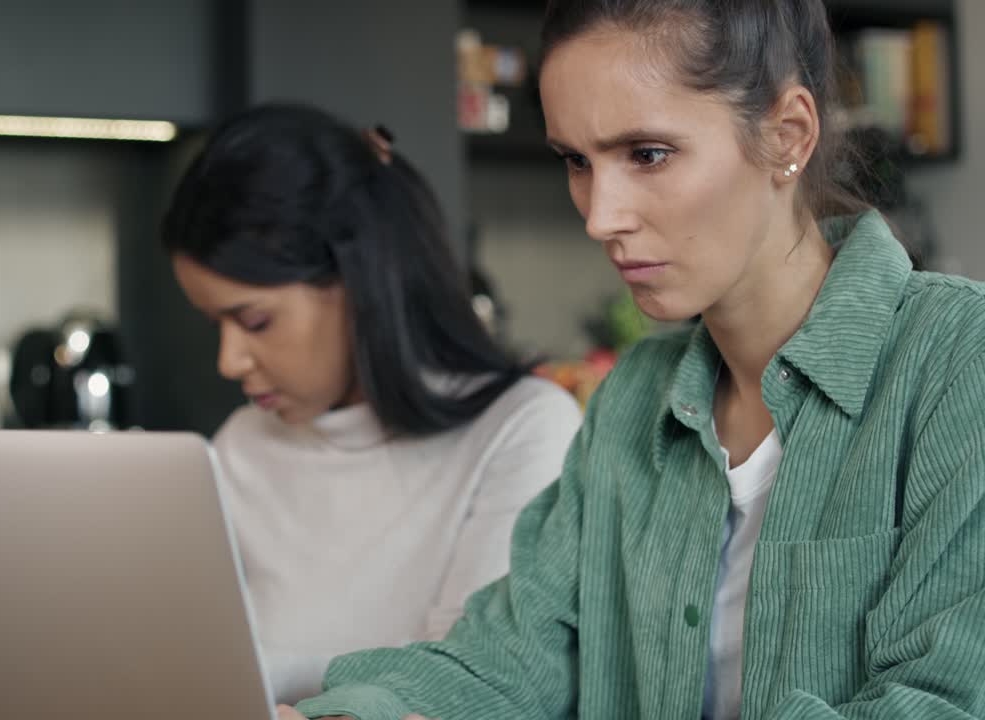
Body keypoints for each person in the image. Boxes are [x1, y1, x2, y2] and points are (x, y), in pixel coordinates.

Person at [279, 1, 985, 718]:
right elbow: (513, 658)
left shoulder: (960, 361)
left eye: (647, 154)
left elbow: (941, 702)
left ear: (788, 134)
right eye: (576, 162)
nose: (599, 216)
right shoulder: (633, 400)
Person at [160, 103, 583, 704]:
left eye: (254, 321)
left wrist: (254, 675)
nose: (229, 362)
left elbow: (466, 682)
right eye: (215, 325)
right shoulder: (240, 446)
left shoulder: (521, 430)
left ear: (360, 283)